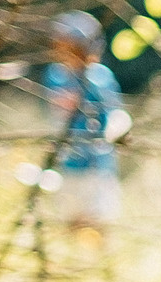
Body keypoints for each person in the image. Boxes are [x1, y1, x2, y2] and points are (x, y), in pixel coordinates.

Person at [43, 12, 125, 235]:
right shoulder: (55, 76)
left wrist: (115, 132)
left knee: (96, 223)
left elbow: (116, 113)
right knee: (71, 222)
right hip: (67, 163)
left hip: (96, 165)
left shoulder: (99, 77)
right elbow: (55, 117)